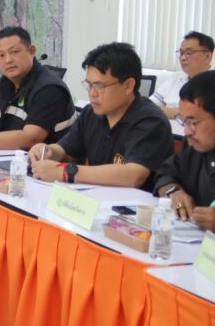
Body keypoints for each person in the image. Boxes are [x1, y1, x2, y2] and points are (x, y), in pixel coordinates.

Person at [28, 42, 173, 190]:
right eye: (89, 85)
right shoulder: (91, 113)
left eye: (100, 86)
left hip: (137, 203)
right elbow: (67, 150)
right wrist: (49, 151)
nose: (92, 93)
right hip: (98, 197)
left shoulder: (150, 121)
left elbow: (133, 175)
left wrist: (65, 172)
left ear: (128, 85)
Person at [153, 71, 215, 231]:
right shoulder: (196, 146)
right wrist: (174, 192)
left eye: (194, 122)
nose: (187, 132)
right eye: (184, 121)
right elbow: (166, 174)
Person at [150, 31, 213, 120]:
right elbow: (148, 106)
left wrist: (174, 112)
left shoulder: (212, 82)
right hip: (165, 127)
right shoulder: (175, 78)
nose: (183, 58)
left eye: (189, 53)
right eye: (181, 53)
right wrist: (175, 112)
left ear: (207, 56)